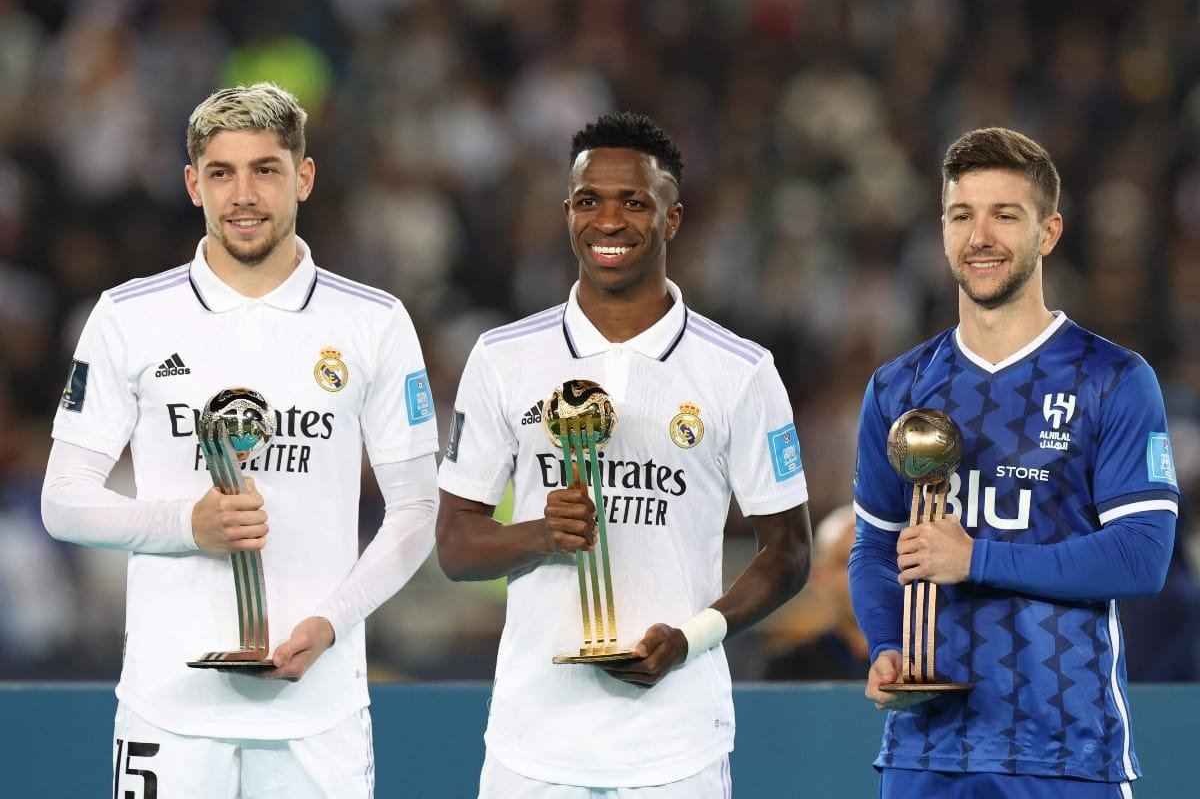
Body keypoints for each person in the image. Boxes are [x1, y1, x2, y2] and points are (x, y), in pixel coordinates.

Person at [41, 83, 439, 797]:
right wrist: (183, 525)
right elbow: (62, 502)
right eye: (222, 173)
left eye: (266, 169)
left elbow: (417, 510)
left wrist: (333, 622)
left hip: (318, 710)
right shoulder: (129, 317)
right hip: (168, 710)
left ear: (304, 178)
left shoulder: (372, 323)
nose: (244, 194)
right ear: (194, 185)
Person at [435, 111, 812, 797]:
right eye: (589, 201)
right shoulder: (503, 358)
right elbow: (456, 547)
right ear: (567, 213)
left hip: (676, 746)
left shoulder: (740, 371)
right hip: (532, 744)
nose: (608, 221)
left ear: (672, 219)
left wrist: (693, 637)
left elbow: (789, 552)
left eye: (634, 202)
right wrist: (540, 534)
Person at [848, 127, 1180, 798]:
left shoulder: (1112, 378)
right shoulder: (897, 388)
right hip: (926, 749)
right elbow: (876, 549)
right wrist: (888, 643)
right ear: (942, 230)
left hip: (1064, 751)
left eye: (1006, 215)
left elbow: (1142, 556)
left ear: (1048, 232)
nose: (980, 237)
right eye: (961, 215)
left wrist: (976, 559)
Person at [763, 503, 869, 680]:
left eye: (878, 563)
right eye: (846, 563)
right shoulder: (788, 670)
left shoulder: (928, 664)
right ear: (819, 576)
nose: (865, 577)